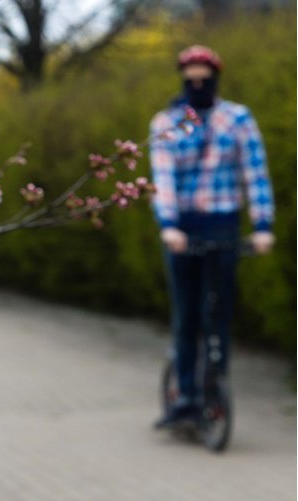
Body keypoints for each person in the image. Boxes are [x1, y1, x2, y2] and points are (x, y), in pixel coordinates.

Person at [149, 45, 275, 428]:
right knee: (187, 314)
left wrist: (263, 227)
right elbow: (163, 177)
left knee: (218, 313)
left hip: (224, 225)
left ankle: (215, 389)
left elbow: (254, 173)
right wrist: (168, 225)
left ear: (216, 77)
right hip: (183, 230)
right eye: (191, 79)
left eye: (205, 78)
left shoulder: (237, 119)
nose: (198, 84)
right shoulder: (168, 122)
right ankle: (185, 394)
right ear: (183, 80)